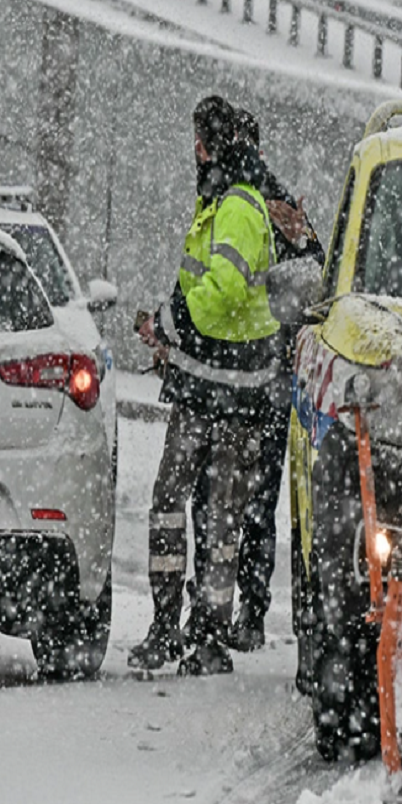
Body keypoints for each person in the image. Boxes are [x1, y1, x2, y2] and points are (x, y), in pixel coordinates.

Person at [128, 95, 280, 676]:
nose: (193, 152)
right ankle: (173, 627)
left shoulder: (239, 207)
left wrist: (168, 324)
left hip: (231, 397)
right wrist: (169, 338)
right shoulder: (218, 205)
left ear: (211, 147)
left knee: (218, 519)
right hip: (201, 390)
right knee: (179, 508)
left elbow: (220, 294)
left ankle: (206, 638)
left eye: (198, 141)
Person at [187, 109, 325, 652]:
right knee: (245, 501)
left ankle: (238, 610)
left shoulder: (256, 200)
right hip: (254, 373)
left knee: (240, 501)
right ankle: (236, 611)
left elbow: (312, 274)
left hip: (261, 374)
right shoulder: (235, 196)